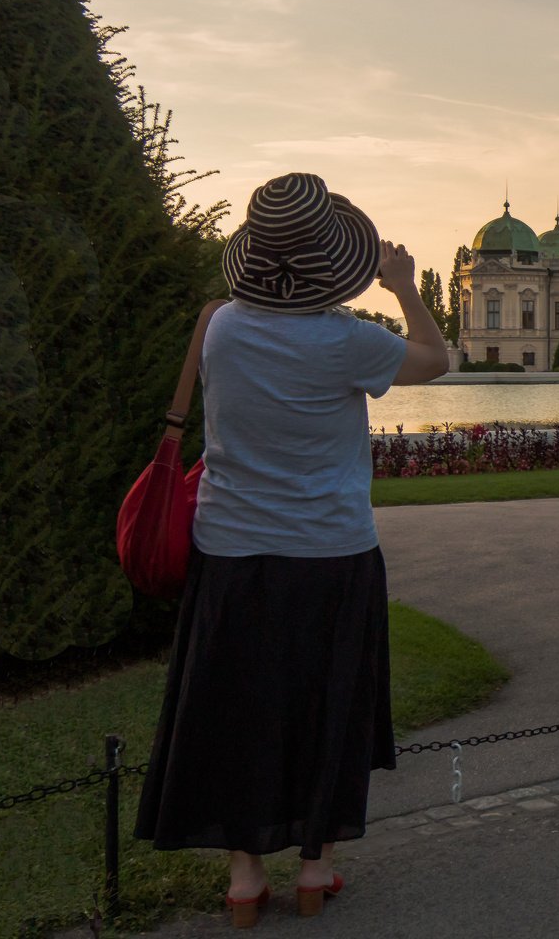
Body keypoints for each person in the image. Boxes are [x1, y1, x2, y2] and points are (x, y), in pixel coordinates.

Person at [134, 173, 450, 928]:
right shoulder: (346, 339)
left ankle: (245, 879)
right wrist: (404, 287)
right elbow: (435, 360)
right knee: (325, 705)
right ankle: (315, 867)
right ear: (331, 261)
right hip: (329, 553)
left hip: (231, 551)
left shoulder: (220, 327)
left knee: (237, 708)